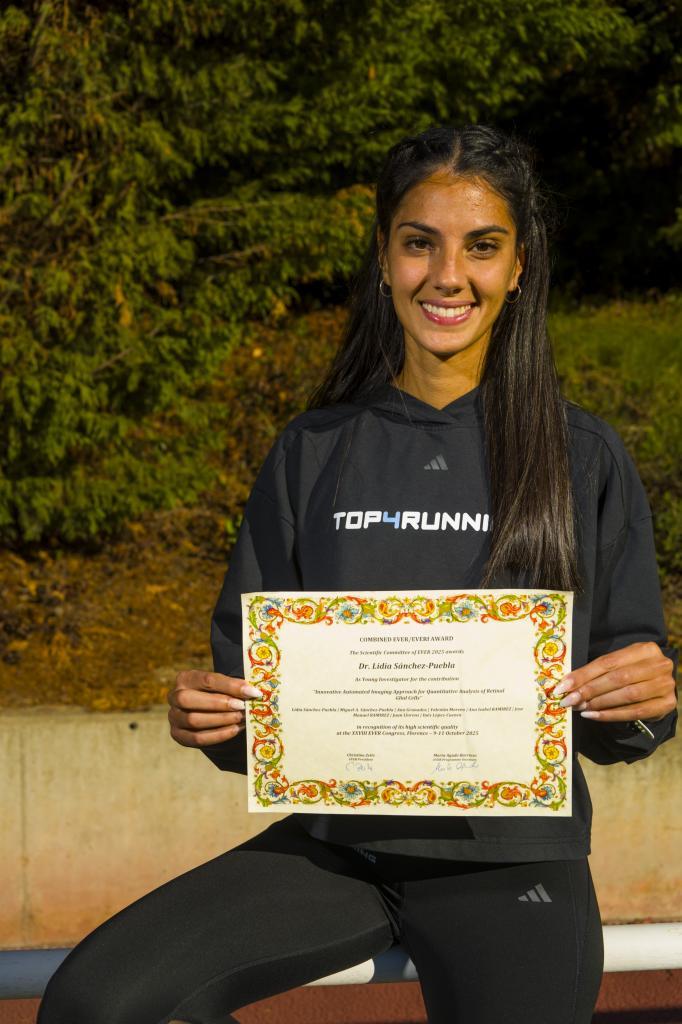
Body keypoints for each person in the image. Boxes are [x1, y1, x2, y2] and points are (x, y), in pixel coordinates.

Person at [38, 123, 677, 1024]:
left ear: (519, 267)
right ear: (384, 259)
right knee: (97, 1002)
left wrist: (641, 701)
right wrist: (213, 721)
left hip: (512, 864)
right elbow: (251, 700)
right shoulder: (312, 450)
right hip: (338, 849)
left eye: (481, 247)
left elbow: (633, 722)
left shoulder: (583, 454)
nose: (448, 276)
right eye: (420, 244)